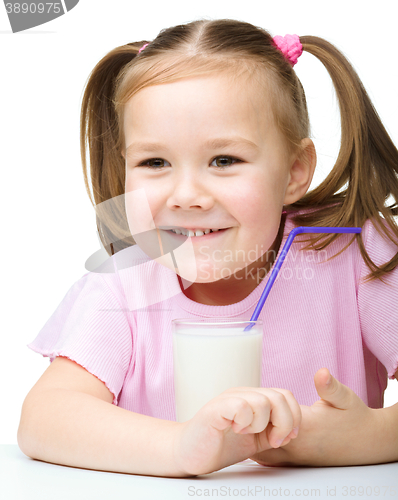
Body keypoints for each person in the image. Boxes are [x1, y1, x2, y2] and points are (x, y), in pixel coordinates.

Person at [17, 19, 398, 477]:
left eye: (224, 160)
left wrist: (368, 437)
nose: (186, 195)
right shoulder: (123, 285)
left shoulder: (353, 253)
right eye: (154, 162)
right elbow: (44, 419)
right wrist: (182, 447)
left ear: (295, 171)